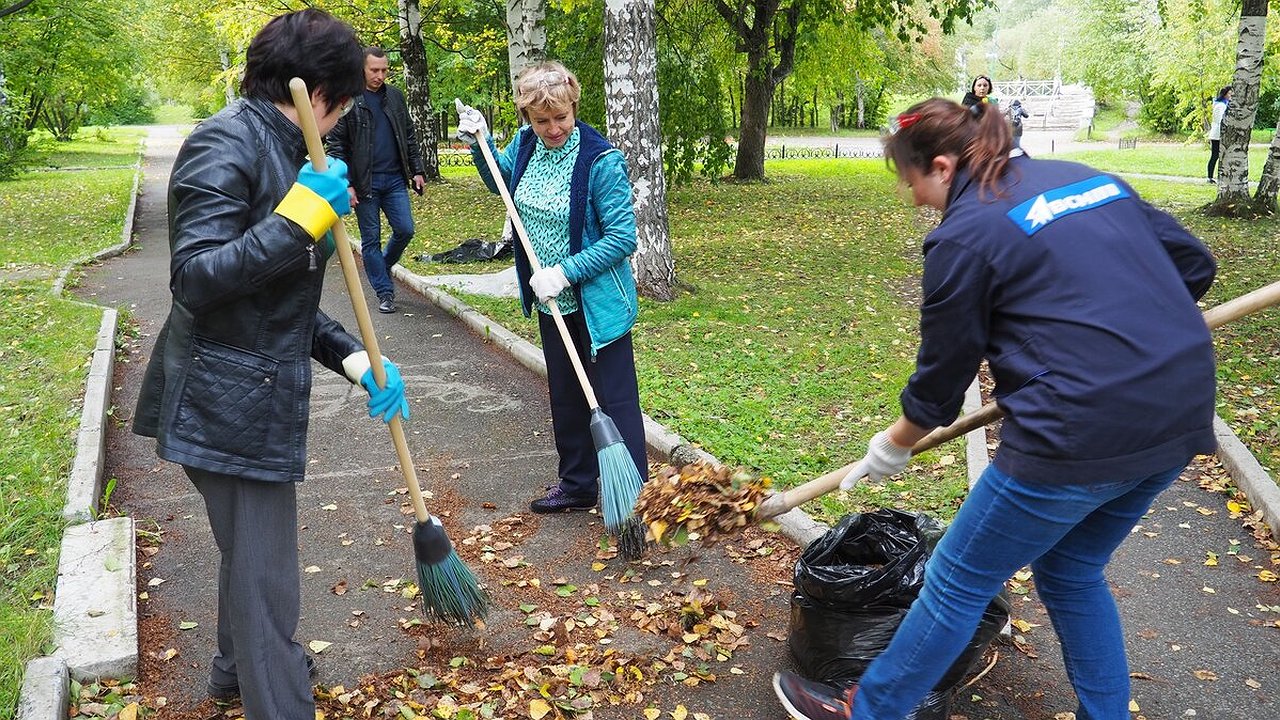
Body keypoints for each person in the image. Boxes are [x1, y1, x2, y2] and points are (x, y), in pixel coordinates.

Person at [772, 98, 1217, 720]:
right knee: (1071, 568)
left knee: (956, 578)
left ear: (945, 165)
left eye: (913, 183)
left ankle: (869, 710)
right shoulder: (1085, 178)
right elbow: (1195, 264)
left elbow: (940, 385)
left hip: (1077, 432)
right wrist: (1127, 329)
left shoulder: (964, 237)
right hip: (1182, 411)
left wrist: (893, 444)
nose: (915, 200)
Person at [132, 10, 411, 720]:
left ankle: (232, 672)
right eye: (343, 99)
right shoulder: (223, 145)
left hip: (249, 388)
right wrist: (295, 223)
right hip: (223, 401)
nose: (347, 112)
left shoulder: (291, 147)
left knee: (249, 561)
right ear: (315, 91)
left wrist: (354, 361)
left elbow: (279, 302)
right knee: (268, 584)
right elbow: (196, 279)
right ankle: (276, 698)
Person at [453, 61, 647, 514]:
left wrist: (563, 272)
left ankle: (632, 500)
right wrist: (480, 145)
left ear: (573, 106)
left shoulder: (600, 160)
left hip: (596, 304)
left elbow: (622, 238)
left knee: (613, 399)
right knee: (566, 396)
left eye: (560, 117)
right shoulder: (525, 145)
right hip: (550, 302)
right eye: (542, 121)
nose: (553, 128)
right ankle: (578, 485)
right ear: (528, 119)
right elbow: (501, 183)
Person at [326, 46, 426, 314]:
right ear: (362, 69)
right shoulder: (348, 100)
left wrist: (417, 169)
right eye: (374, 70)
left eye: (384, 70)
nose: (380, 75)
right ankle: (384, 291)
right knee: (371, 239)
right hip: (363, 182)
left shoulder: (395, 97)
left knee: (405, 229)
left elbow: (409, 135)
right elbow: (336, 146)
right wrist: (346, 183)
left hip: (394, 179)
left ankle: (381, 266)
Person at [1207, 85, 1231, 184]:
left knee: (1223, 156)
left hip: (1221, 134)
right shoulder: (1220, 105)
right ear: (1225, 94)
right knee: (1215, 155)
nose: (1231, 95)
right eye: (1229, 93)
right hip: (1217, 134)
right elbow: (1220, 120)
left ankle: (1221, 176)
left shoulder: (1225, 104)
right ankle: (1210, 177)